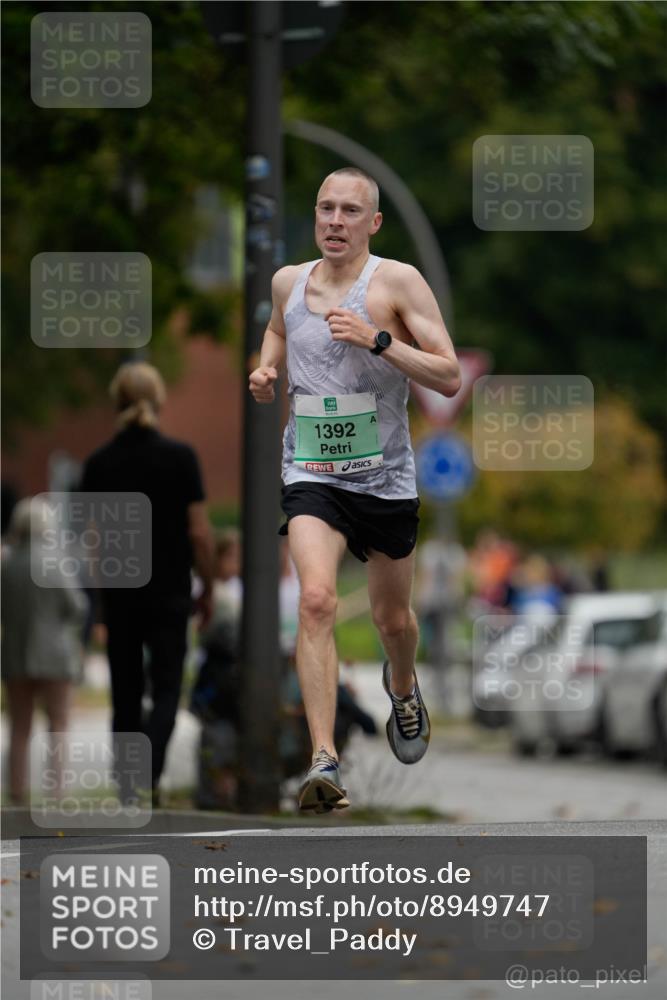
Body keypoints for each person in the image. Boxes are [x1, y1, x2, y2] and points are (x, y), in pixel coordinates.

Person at [248, 167, 461, 813]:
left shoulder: (396, 282)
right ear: (314, 217)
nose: (334, 220)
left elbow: (448, 375)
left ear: (372, 223)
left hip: (384, 478)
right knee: (314, 599)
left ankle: (401, 686)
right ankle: (324, 758)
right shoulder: (288, 281)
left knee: (391, 620)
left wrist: (377, 339)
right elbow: (282, 331)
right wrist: (264, 369)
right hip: (312, 472)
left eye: (349, 211)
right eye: (325, 209)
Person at [80, 362, 214, 805]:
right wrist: (208, 585)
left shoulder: (98, 463)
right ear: (159, 401)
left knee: (125, 689)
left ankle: (126, 783)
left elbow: (95, 542)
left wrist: (100, 603)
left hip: (121, 595)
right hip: (171, 592)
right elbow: (198, 531)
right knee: (169, 686)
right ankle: (149, 769)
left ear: (116, 402)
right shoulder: (181, 457)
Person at [1, 497, 88, 804]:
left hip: (15, 653)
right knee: (59, 725)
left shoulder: (6, 565)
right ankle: (58, 793)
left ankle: (16, 792)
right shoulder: (56, 562)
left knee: (19, 727)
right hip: (55, 655)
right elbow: (76, 606)